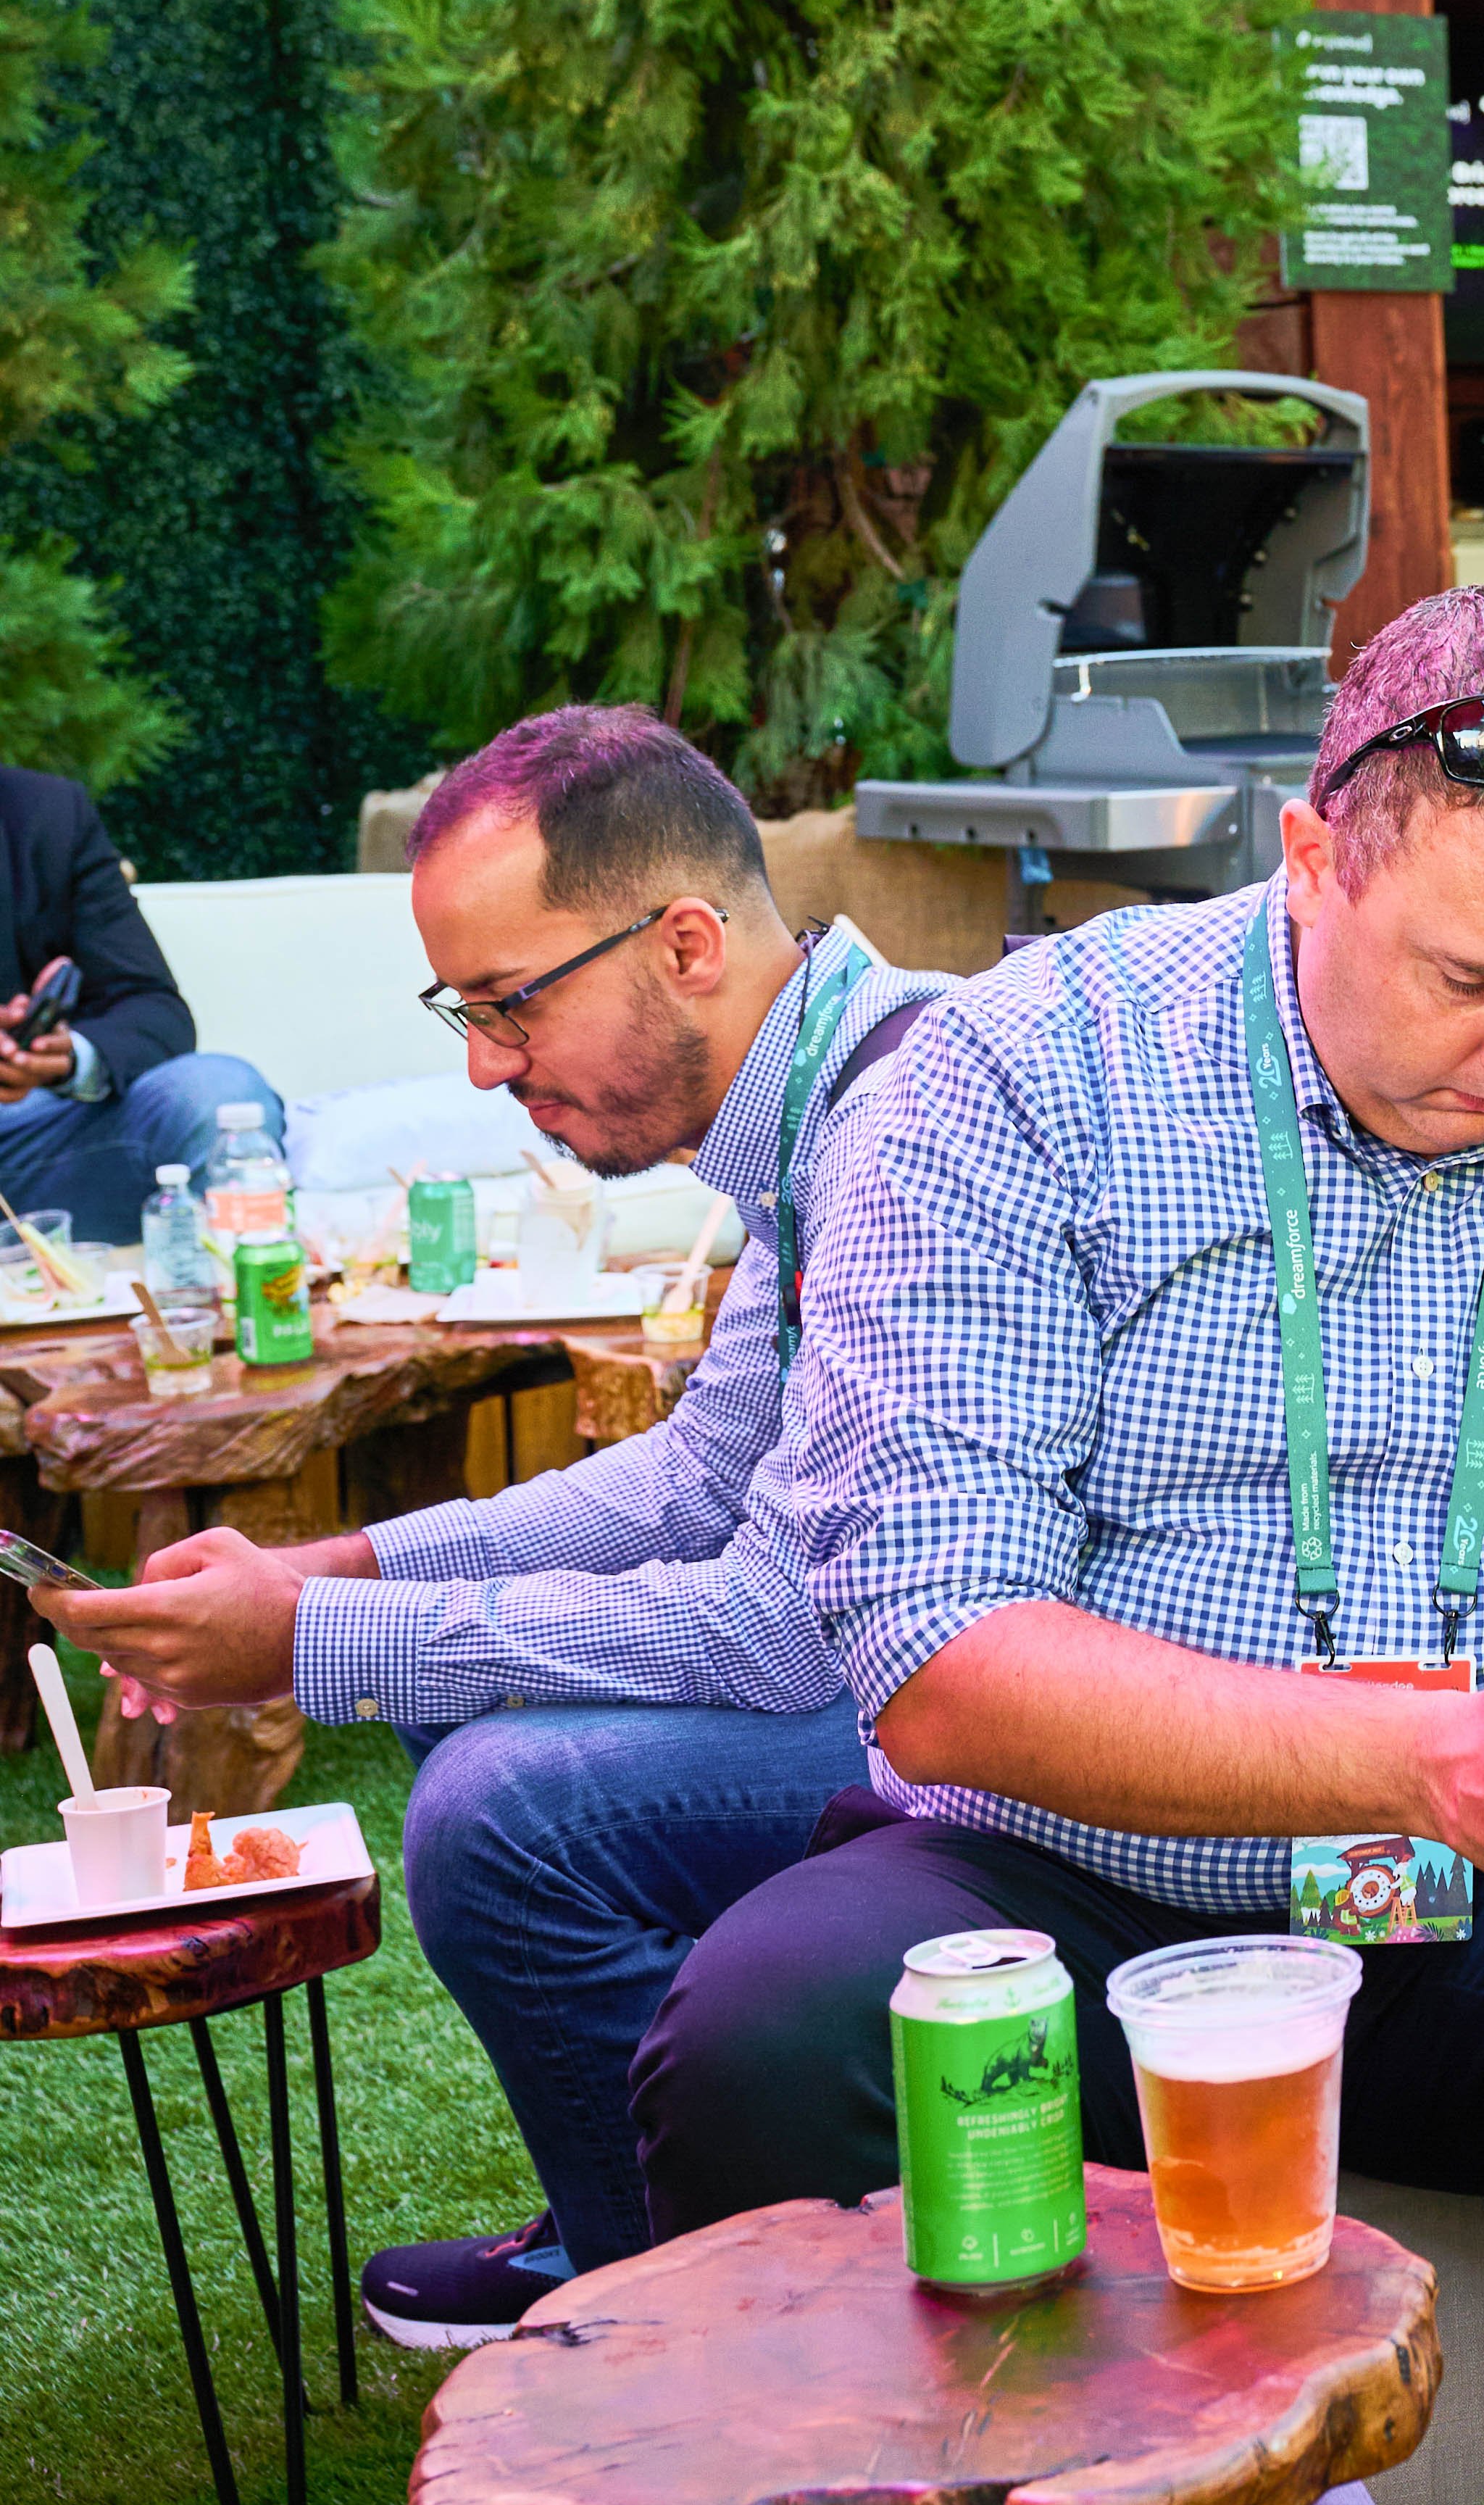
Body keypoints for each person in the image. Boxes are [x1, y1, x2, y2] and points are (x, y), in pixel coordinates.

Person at [632, 586, 1484, 2505]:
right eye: (1467, 981)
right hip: (1093, 1887)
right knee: (772, 2028)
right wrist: (1414, 1757)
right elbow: (936, 1652)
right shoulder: (1021, 1075)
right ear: (1311, 861)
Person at [39, 706, 950, 2339]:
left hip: (1023, 1718)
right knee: (479, 1721)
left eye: (510, 1003)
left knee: (511, 1809)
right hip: (905, 1674)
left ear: (684, 942)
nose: (482, 1065)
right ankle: (650, 2212)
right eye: (459, 1011)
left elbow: (773, 1618)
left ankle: (664, 2316)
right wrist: (336, 1565)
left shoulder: (906, 1128)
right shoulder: (819, 1094)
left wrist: (312, 1642)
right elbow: (689, 1481)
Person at [0, 764, 279, 1241]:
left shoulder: (42, 813)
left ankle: (252, 1307)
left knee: (218, 1094)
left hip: (28, 1147)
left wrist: (61, 1057)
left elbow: (151, 1009)